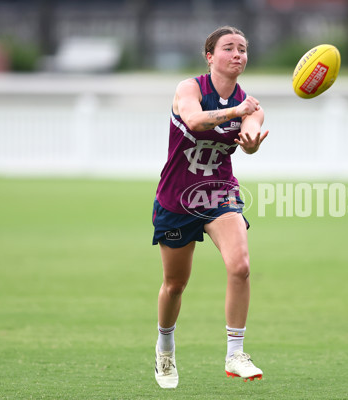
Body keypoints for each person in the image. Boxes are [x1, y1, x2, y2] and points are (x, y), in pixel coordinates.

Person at [151, 26, 269, 389]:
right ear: (210, 56)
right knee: (175, 284)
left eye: (243, 49)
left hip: (218, 192)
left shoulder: (251, 105)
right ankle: (165, 349)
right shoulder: (189, 89)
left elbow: (251, 134)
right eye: (229, 48)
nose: (238, 55)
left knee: (241, 266)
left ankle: (235, 353)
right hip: (176, 198)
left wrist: (251, 143)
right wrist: (236, 111)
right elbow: (194, 119)